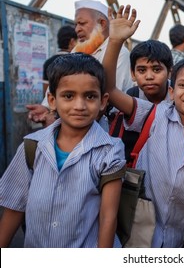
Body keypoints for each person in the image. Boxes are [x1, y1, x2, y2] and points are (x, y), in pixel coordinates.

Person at [103, 5, 184, 248]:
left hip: (180, 235)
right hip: (139, 234)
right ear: (172, 91)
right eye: (183, 86)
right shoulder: (154, 114)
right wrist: (115, 41)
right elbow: (109, 89)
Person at [0, 53, 126, 248]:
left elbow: (108, 217)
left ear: (103, 101)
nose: (79, 106)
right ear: (52, 100)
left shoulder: (109, 150)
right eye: (68, 96)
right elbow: (14, 207)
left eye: (90, 96)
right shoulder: (32, 146)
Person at [27, 0, 133, 125]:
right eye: (76, 24)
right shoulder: (77, 50)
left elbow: (107, 101)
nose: (77, 29)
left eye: (82, 23)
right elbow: (57, 85)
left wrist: (57, 120)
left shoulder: (120, 53)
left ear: (103, 24)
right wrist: (46, 108)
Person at [26, 25, 77, 125]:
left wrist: (50, 108)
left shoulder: (48, 62)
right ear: (72, 42)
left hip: (53, 114)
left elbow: (46, 90)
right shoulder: (77, 62)